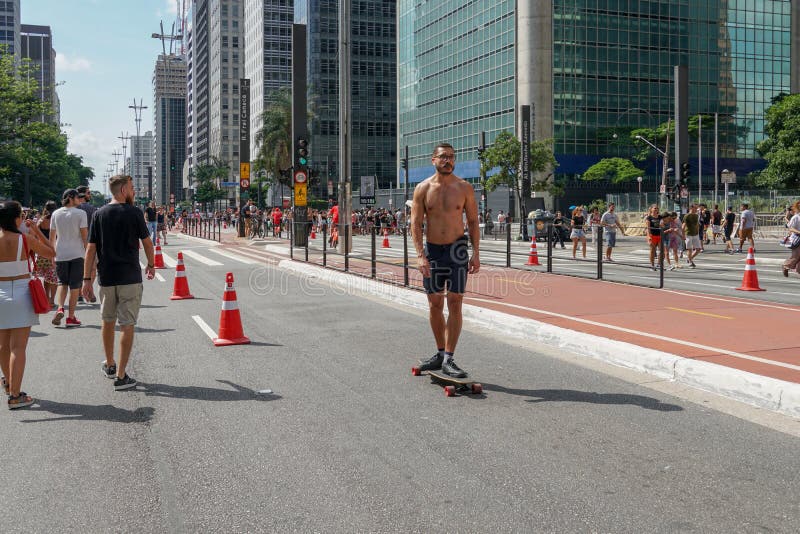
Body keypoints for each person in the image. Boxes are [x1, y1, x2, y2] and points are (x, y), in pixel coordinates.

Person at [412, 143, 480, 378]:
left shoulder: (465, 188)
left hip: (457, 250)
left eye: (451, 157)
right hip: (432, 251)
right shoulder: (422, 188)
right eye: (443, 157)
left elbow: (472, 221)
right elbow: (415, 224)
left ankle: (450, 358)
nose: (447, 160)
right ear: (433, 160)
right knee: (434, 304)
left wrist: (476, 253)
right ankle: (440, 353)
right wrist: (420, 255)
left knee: (455, 303)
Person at [82, 175, 155, 391]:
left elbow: (91, 249)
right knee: (127, 324)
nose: (134, 191)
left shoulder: (99, 214)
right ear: (123, 190)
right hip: (130, 277)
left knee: (107, 321)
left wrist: (87, 279)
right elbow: (147, 242)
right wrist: (151, 264)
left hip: (107, 277)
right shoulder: (134, 213)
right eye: (132, 188)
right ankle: (122, 376)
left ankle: (110, 364)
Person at [0, 200, 56, 409]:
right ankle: (15, 395)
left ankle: (8, 383)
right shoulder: (24, 239)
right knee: (18, 348)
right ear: (17, 218)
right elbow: (51, 252)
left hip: (0, 292)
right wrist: (37, 231)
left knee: (3, 346)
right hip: (21, 291)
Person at [50, 189, 88, 327]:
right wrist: (89, 255)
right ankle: (71, 317)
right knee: (75, 286)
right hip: (77, 253)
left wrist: (52, 255)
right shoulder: (81, 213)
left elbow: (52, 237)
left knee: (62, 283)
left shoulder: (56, 213)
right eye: (78, 197)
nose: (80, 200)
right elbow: (84, 236)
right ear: (71, 197)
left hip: (61, 253)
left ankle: (60, 307)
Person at [33, 201, 59, 306]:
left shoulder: (41, 220)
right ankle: (52, 300)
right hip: (53, 251)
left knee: (46, 278)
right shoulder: (56, 219)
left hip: (42, 252)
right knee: (54, 277)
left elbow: (35, 235)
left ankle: (47, 298)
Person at [782, 200, 800, 278]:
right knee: (795, 257)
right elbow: (790, 228)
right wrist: (799, 232)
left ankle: (798, 270)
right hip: (797, 239)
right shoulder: (796, 217)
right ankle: (785, 266)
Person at [683, 204, 701, 268]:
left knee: (698, 249)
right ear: (691, 208)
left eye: (697, 208)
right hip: (688, 234)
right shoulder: (687, 216)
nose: (696, 209)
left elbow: (697, 224)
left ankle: (689, 259)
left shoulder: (696, 215)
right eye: (695, 208)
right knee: (689, 249)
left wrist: (698, 232)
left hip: (695, 234)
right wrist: (683, 235)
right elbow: (683, 226)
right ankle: (690, 262)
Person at [645, 205, 662, 270]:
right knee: (652, 251)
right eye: (655, 208)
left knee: (661, 251)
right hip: (652, 235)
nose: (656, 209)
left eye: (657, 208)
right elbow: (648, 228)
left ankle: (658, 264)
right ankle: (652, 265)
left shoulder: (660, 217)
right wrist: (649, 236)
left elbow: (662, 224)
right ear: (651, 209)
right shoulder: (649, 218)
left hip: (659, 235)